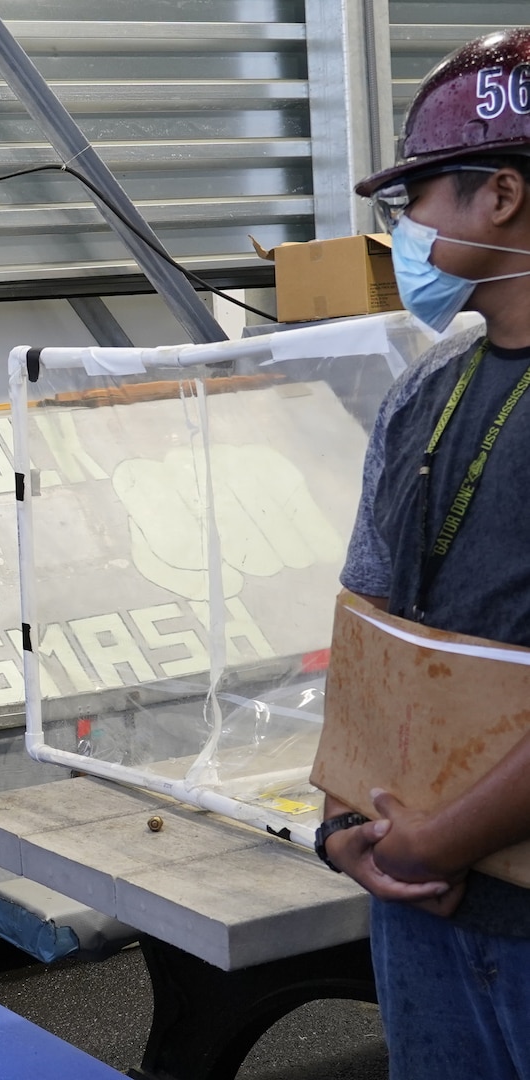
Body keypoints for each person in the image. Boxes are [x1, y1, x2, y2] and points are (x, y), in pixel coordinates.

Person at [321, 26, 530, 1080]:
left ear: (500, 195)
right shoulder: (425, 394)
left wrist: (436, 842)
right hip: (418, 907)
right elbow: (368, 630)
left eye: (416, 203)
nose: (402, 232)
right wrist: (342, 822)